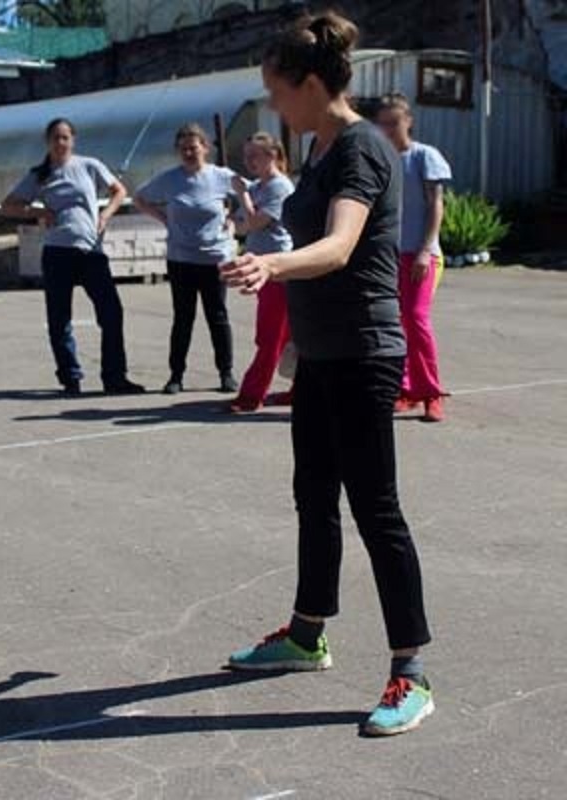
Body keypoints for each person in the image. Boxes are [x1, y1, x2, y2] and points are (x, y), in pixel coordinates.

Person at [220, 12, 434, 736]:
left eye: (277, 91)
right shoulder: (319, 146)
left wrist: (271, 265)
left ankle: (412, 669)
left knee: (377, 510)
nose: (273, 105)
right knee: (314, 493)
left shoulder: (361, 150)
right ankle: (308, 634)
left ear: (311, 84)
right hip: (324, 353)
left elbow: (341, 246)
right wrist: (295, 343)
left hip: (366, 355)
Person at [1, 118, 144, 396]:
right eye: (55, 137)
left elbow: (119, 191)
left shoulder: (89, 166)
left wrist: (105, 214)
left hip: (91, 251)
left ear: (73, 140)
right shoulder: (40, 174)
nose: (60, 142)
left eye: (65, 137)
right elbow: (8, 206)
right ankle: (70, 378)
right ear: (48, 142)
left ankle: (115, 377)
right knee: (59, 319)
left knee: (111, 313)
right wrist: (40, 213)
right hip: (57, 253)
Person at [134, 123, 254, 395]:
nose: (189, 152)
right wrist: (163, 219)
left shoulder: (221, 176)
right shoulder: (169, 179)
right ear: (178, 150)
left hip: (215, 259)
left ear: (205, 148)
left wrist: (235, 222)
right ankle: (176, 376)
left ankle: (226, 373)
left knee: (218, 316)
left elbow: (251, 192)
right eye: (184, 148)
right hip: (181, 259)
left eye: (194, 147)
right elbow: (139, 198)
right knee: (183, 318)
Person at [375, 92, 451, 422]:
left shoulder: (425, 156)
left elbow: (436, 205)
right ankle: (405, 390)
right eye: (384, 124)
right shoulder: (382, 159)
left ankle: (431, 393)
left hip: (422, 255)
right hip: (390, 256)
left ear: (409, 121)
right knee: (396, 324)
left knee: (416, 319)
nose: (390, 129)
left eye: (395, 122)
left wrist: (425, 249)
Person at [230, 132, 296, 413]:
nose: (249, 161)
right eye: (246, 156)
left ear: (272, 156)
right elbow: (241, 226)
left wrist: (242, 195)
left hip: (279, 270)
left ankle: (251, 395)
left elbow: (254, 222)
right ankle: (301, 389)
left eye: (254, 155)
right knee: (288, 336)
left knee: (271, 336)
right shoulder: (258, 187)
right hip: (264, 269)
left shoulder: (278, 187)